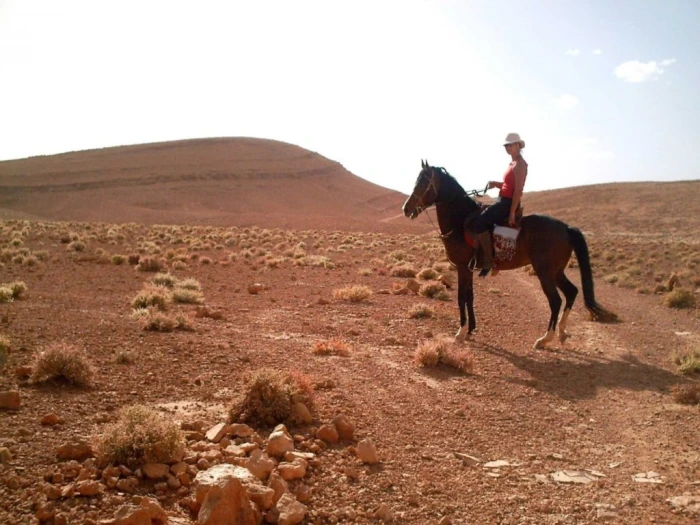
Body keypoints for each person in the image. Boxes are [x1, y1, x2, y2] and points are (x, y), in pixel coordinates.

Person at [471, 132, 528, 277]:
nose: (507, 147)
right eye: (506, 145)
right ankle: (491, 255)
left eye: (510, 145)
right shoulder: (512, 163)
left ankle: (489, 261)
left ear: (517, 145)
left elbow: (518, 191)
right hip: (502, 200)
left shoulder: (520, 164)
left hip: (507, 203)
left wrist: (512, 212)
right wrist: (496, 184)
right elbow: (508, 185)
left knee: (478, 223)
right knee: (482, 216)